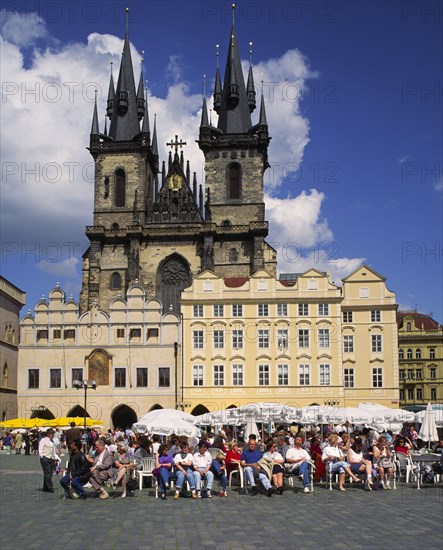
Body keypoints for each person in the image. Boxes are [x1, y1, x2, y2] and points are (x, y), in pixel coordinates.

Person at [38, 429, 56, 493]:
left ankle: (45, 487)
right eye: (52, 434)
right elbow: (40, 449)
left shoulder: (52, 441)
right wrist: (42, 456)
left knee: (50, 473)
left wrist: (54, 458)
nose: (53, 435)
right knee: (48, 472)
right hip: (45, 457)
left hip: (51, 458)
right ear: (48, 434)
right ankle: (50, 487)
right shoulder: (43, 440)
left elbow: (53, 450)